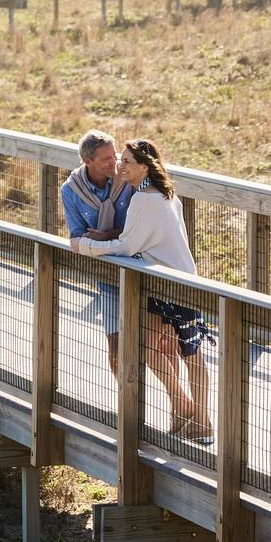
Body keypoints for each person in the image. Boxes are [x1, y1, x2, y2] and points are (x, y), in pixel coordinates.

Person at [69, 138, 213, 444]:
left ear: (144, 167)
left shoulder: (145, 198)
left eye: (126, 162)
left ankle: (203, 421)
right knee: (151, 346)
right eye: (119, 160)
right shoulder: (157, 193)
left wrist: (85, 245)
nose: (120, 167)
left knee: (191, 354)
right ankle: (184, 405)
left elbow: (127, 246)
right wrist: (108, 236)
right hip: (158, 285)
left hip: (179, 286)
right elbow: (135, 238)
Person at [60, 129, 134, 374]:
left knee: (156, 344)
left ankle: (178, 401)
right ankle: (124, 402)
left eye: (114, 155)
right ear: (88, 161)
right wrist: (111, 238)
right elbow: (78, 239)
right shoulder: (70, 191)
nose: (114, 162)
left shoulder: (128, 178)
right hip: (107, 271)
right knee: (115, 342)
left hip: (139, 263)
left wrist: (106, 235)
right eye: (106, 159)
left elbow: (143, 227)